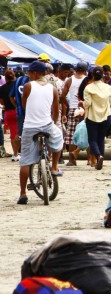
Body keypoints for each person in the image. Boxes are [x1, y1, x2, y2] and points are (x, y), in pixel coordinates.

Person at [16, 61, 64, 204]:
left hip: (30, 127)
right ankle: (54, 166)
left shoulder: (28, 86)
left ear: (35, 73)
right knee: (58, 140)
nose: (28, 75)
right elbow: (56, 112)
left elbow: (24, 105)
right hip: (47, 125)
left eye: (30, 72)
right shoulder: (53, 89)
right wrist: (53, 123)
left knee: (25, 160)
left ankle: (23, 193)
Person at [83, 67, 111, 170]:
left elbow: (88, 103)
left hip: (92, 116)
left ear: (92, 75)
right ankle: (101, 158)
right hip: (106, 116)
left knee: (92, 139)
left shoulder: (88, 88)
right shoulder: (108, 87)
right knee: (101, 138)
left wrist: (81, 103)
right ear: (102, 75)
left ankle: (98, 156)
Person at [60, 62, 88, 166]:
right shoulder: (87, 79)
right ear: (85, 70)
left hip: (73, 109)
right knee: (87, 132)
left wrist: (68, 105)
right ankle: (90, 159)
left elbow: (62, 96)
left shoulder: (69, 80)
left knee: (71, 135)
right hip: (85, 108)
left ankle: (72, 160)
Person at [9, 70, 30, 162]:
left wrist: (16, 105)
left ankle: (16, 153)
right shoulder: (34, 82)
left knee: (20, 133)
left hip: (20, 112)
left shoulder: (17, 81)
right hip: (32, 113)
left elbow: (11, 96)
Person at [0, 70, 18, 158]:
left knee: (13, 132)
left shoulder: (2, 88)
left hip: (8, 112)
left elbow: (2, 102)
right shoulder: (17, 85)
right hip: (19, 111)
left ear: (5, 78)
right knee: (21, 132)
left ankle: (15, 154)